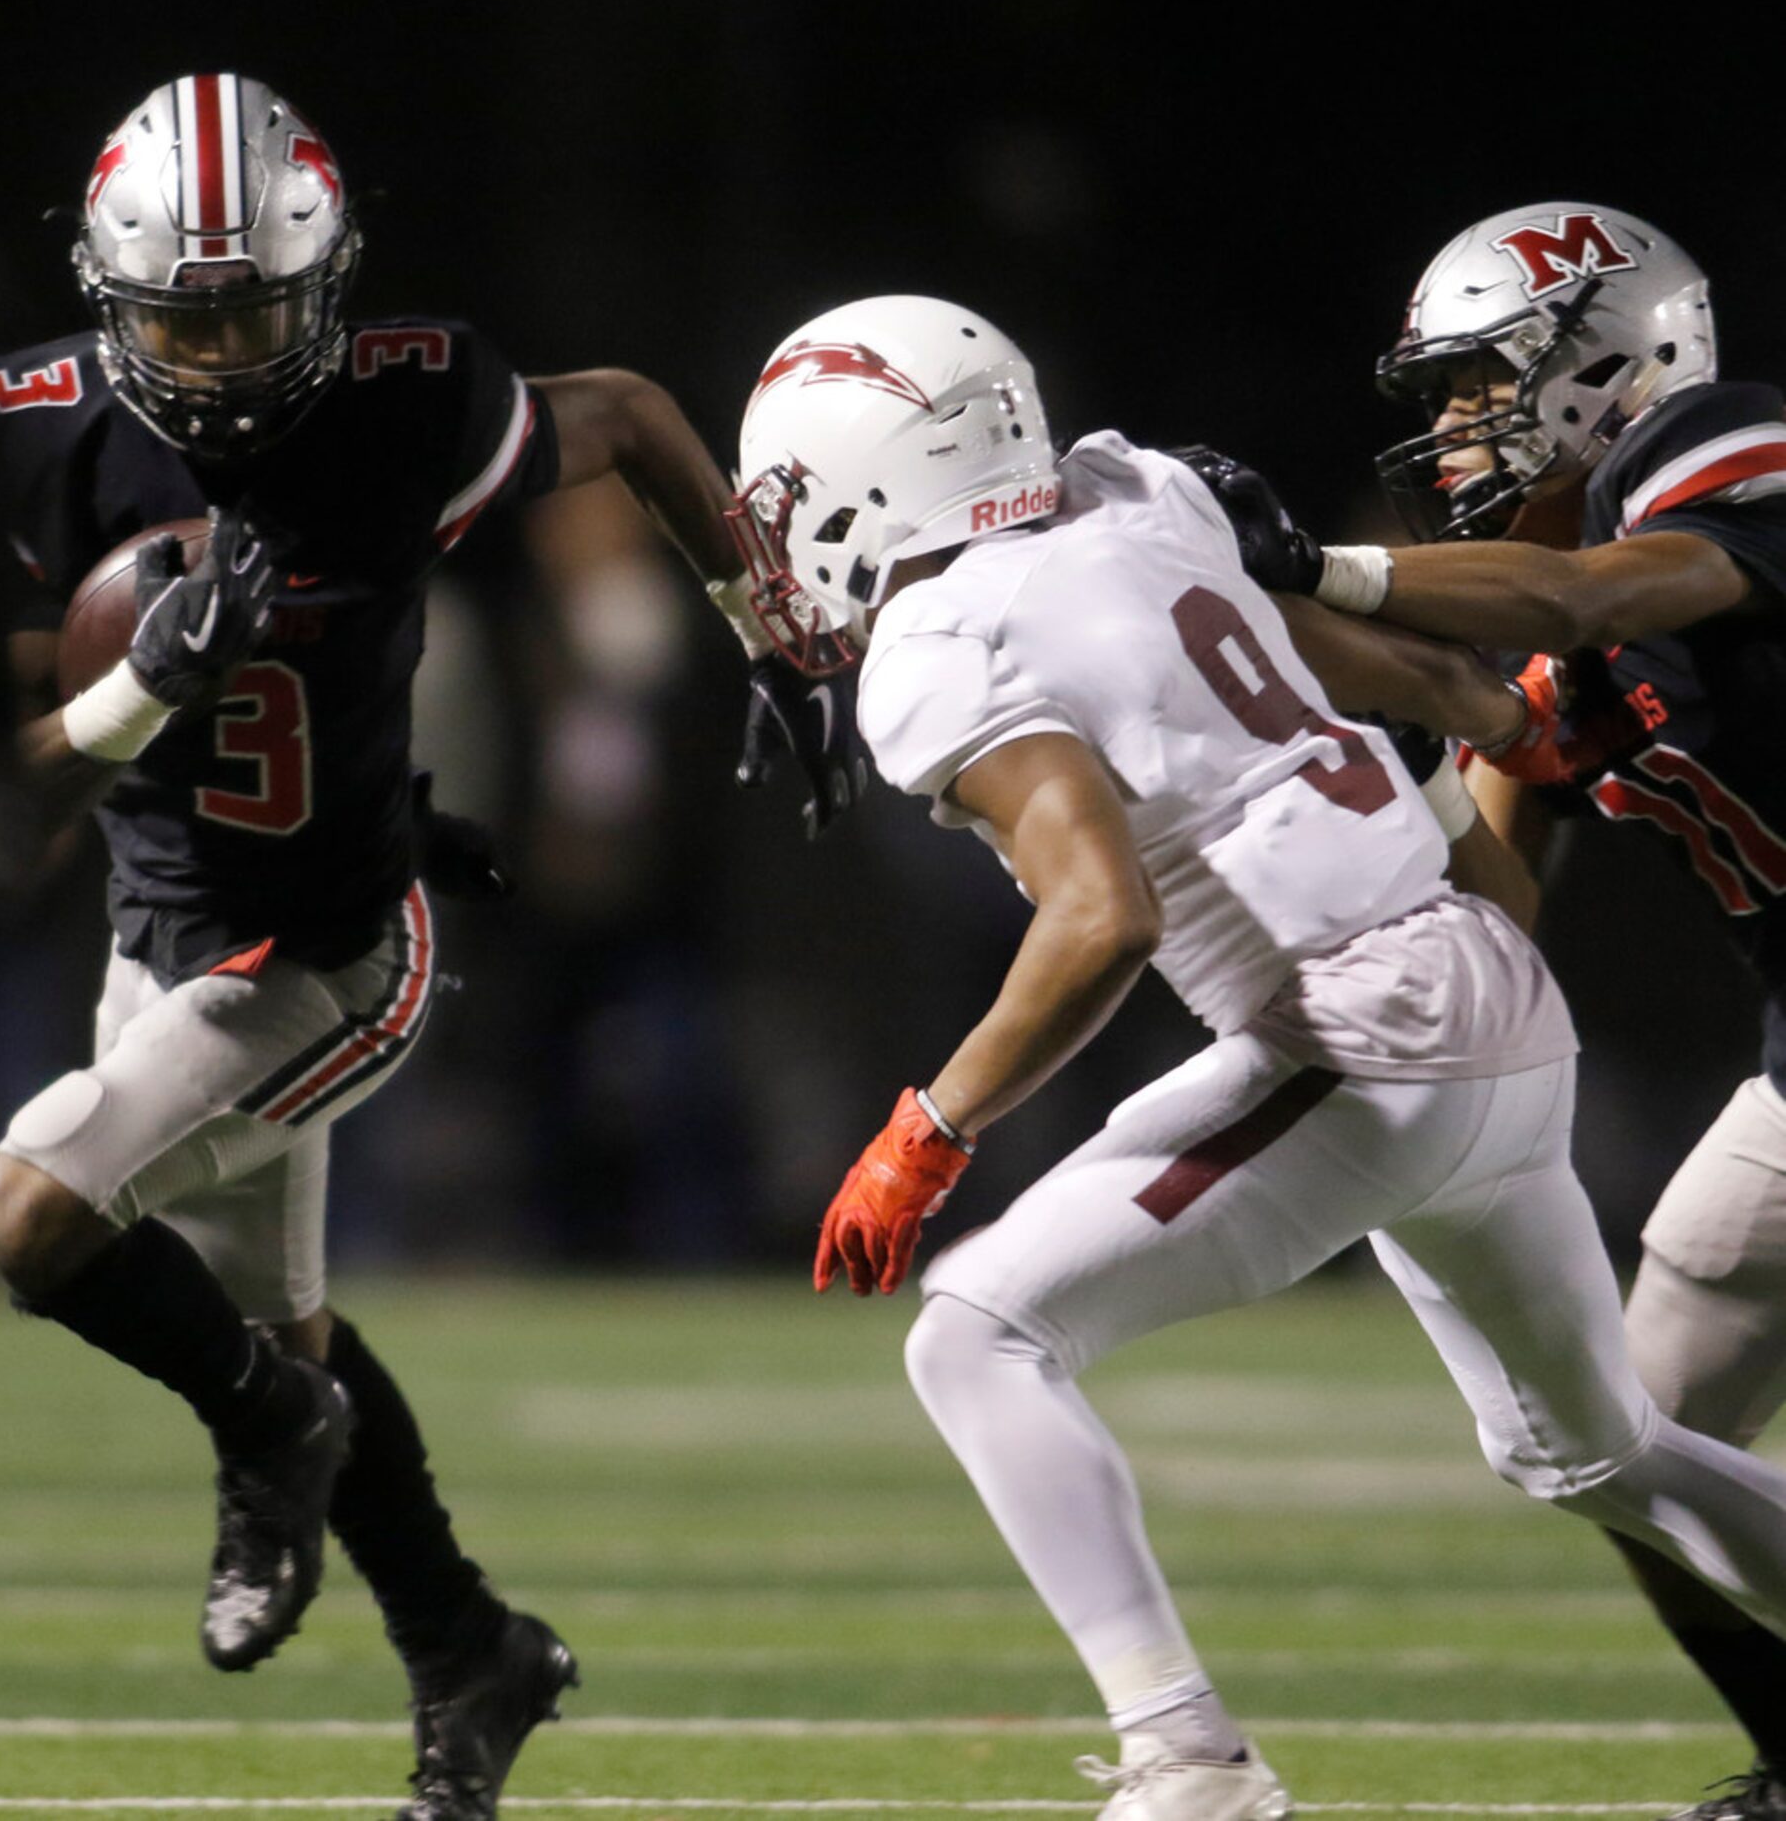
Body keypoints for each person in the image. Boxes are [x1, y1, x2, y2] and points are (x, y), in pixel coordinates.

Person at [724, 291, 1786, 1821]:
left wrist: (928, 1127)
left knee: (976, 1334)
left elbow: (1098, 917)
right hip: (1488, 999)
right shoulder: (1130, 490)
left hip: (1361, 1028)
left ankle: (1187, 1759)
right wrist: (1488, 764)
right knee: (1596, 1448)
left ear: (871, 477)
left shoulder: (936, 645)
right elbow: (1434, 687)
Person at [0, 73, 863, 1821]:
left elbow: (626, 415)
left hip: (330, 949)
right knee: (280, 1332)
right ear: (104, 295)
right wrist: (137, 682)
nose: (218, 362)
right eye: (180, 319)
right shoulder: (41, 439)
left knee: (34, 1212)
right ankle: (470, 1650)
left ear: (328, 286)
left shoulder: (407, 401)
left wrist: (772, 629)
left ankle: (272, 1441)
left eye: (254, 316)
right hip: (157, 928)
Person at [1219, 202, 1786, 1821]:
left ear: (1606, 359)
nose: (1452, 424)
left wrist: (1323, 565)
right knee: (1638, 1450)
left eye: (1480, 383)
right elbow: (1485, 885)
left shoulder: (1713, 458)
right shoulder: (1566, 606)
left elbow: (1577, 600)